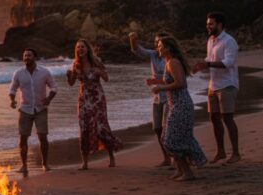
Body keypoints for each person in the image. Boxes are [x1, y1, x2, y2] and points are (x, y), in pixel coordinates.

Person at [150, 36, 207, 181]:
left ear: (168, 48)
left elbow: (181, 83)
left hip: (181, 104)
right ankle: (180, 170)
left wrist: (161, 87)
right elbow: (172, 79)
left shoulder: (173, 62)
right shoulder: (169, 62)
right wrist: (157, 82)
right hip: (173, 104)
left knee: (172, 139)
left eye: (160, 46)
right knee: (167, 137)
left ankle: (187, 172)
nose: (158, 48)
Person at [192, 12, 241, 164]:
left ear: (220, 24)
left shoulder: (229, 41)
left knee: (227, 118)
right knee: (213, 117)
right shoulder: (210, 40)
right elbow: (210, 59)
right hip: (214, 84)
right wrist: (200, 65)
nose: (208, 26)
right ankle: (221, 151)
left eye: (211, 24)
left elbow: (228, 63)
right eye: (207, 24)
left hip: (228, 84)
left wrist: (208, 64)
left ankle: (236, 153)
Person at [67, 39, 123, 170]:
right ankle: (85, 162)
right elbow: (71, 83)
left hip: (97, 98)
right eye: (78, 47)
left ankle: (111, 157)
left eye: (82, 47)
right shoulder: (76, 64)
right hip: (83, 99)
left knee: (101, 126)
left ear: (87, 49)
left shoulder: (96, 61)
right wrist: (68, 76)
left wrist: (100, 72)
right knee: (84, 127)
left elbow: (106, 79)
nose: (80, 49)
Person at [9, 48, 57, 173]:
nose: (26, 58)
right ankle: (24, 166)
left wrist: (49, 99)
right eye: (25, 56)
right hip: (25, 109)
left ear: (35, 57)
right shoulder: (18, 73)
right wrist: (12, 100)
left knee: (43, 137)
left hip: (41, 109)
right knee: (23, 138)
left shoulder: (44, 72)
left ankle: (45, 164)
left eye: (29, 55)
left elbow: (54, 87)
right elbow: (12, 89)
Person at [129, 31, 172, 167]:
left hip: (170, 97)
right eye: (155, 42)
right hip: (157, 97)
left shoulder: (170, 58)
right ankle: (166, 157)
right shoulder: (153, 54)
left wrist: (155, 81)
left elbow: (176, 80)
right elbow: (137, 50)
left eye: (159, 42)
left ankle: (177, 158)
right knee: (157, 128)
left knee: (168, 129)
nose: (157, 45)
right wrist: (133, 39)